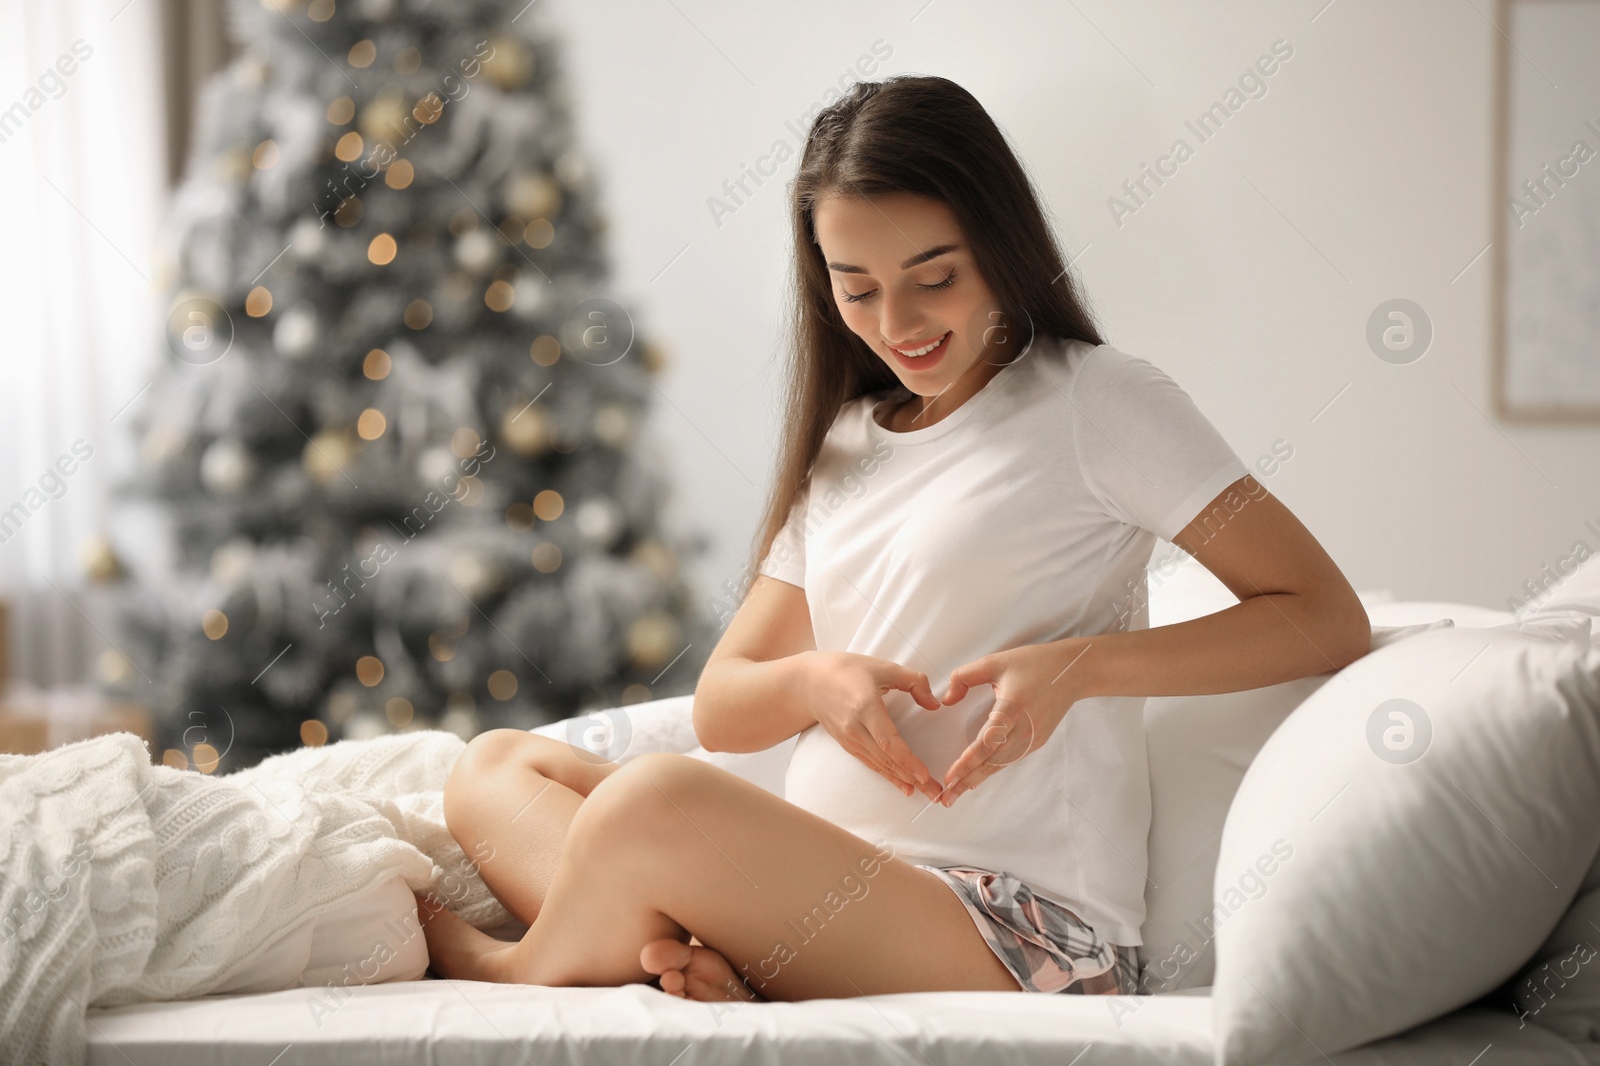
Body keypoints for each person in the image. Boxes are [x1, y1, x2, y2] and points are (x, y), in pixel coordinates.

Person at [415, 74, 1370, 1003]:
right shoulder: (845, 442)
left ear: (1000, 246)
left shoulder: (1099, 402)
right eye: (856, 288)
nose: (897, 324)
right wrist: (817, 682)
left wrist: (1083, 665)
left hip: (1015, 928)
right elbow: (723, 706)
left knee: (651, 803)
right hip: (827, 880)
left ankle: (528, 964)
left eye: (935, 277)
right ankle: (712, 951)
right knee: (496, 768)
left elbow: (1322, 616)